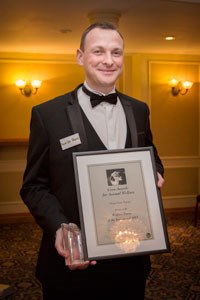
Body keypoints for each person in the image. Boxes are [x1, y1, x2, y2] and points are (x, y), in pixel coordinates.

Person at [20, 22, 165, 299]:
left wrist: (155, 172)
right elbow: (33, 186)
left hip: (130, 260)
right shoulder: (47, 114)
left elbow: (152, 156)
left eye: (116, 52)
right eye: (98, 51)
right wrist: (61, 227)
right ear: (80, 56)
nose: (108, 61)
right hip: (74, 262)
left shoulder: (139, 110)